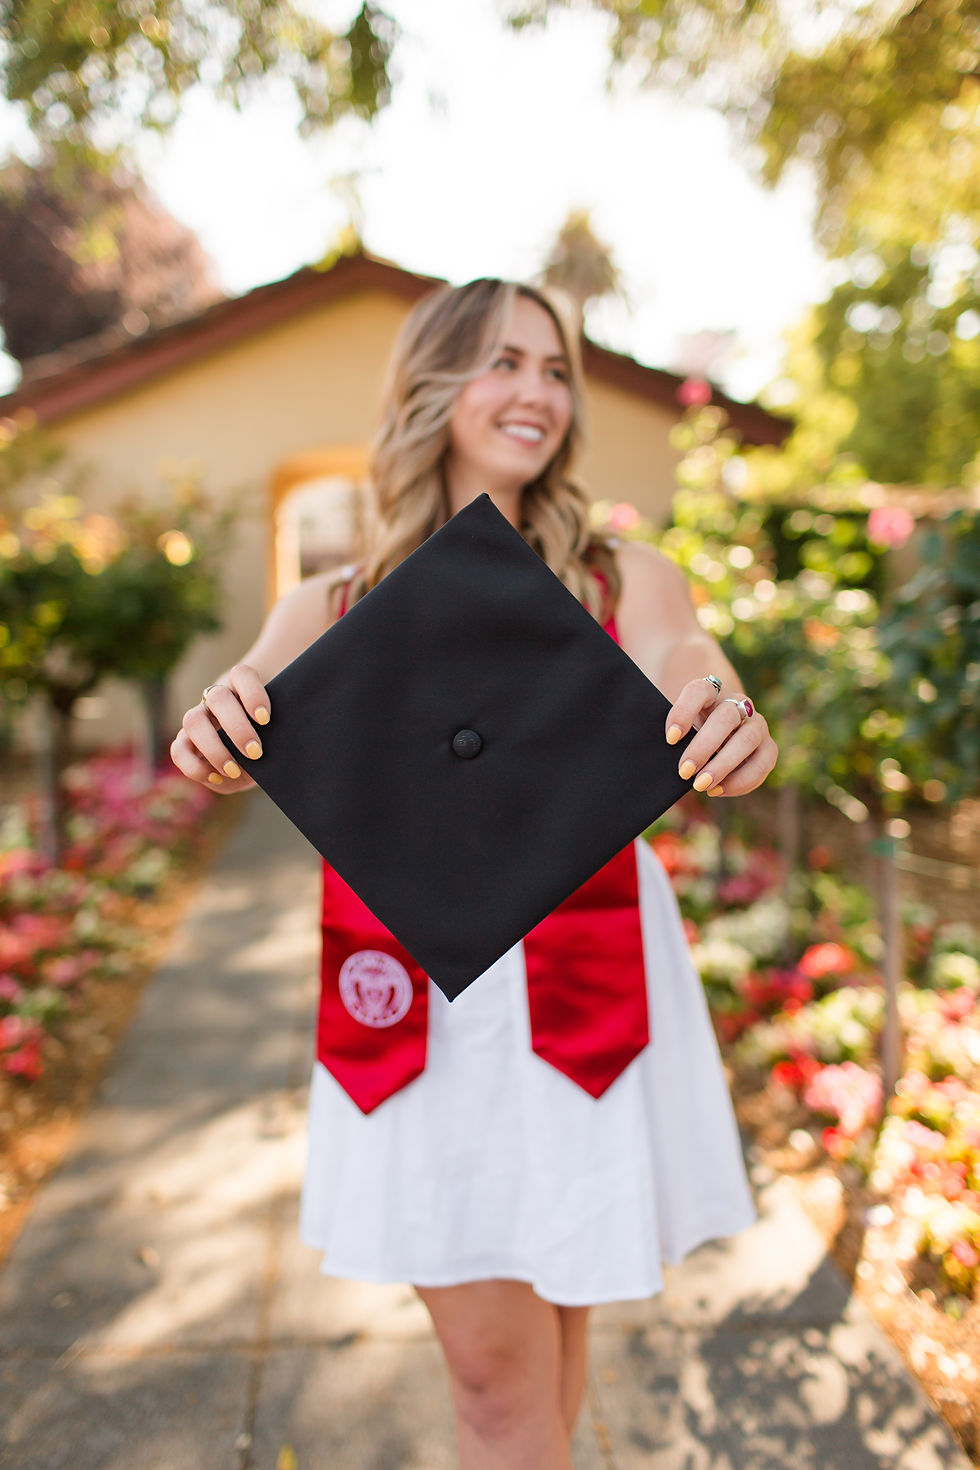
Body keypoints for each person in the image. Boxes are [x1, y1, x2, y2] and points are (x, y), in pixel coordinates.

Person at [171, 277, 778, 1470]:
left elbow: (684, 661)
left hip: (586, 980)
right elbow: (229, 726)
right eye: (502, 362)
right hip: (415, 994)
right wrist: (221, 737)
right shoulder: (330, 604)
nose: (536, 393)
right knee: (497, 1382)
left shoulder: (622, 578)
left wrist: (719, 710)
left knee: (556, 1351)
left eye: (555, 371)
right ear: (433, 384)